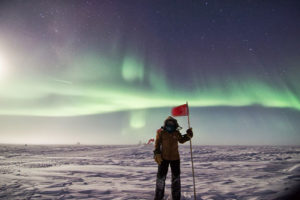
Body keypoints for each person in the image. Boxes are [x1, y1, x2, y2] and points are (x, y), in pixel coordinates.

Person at [153, 116, 193, 200]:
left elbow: (181, 140)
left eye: (172, 123)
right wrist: (157, 153)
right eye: (168, 123)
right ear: (165, 123)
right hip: (163, 158)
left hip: (175, 158)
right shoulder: (161, 132)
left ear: (175, 124)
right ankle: (158, 197)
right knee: (160, 179)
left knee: (176, 180)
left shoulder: (176, 132)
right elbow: (157, 143)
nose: (170, 125)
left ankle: (176, 198)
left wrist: (188, 136)